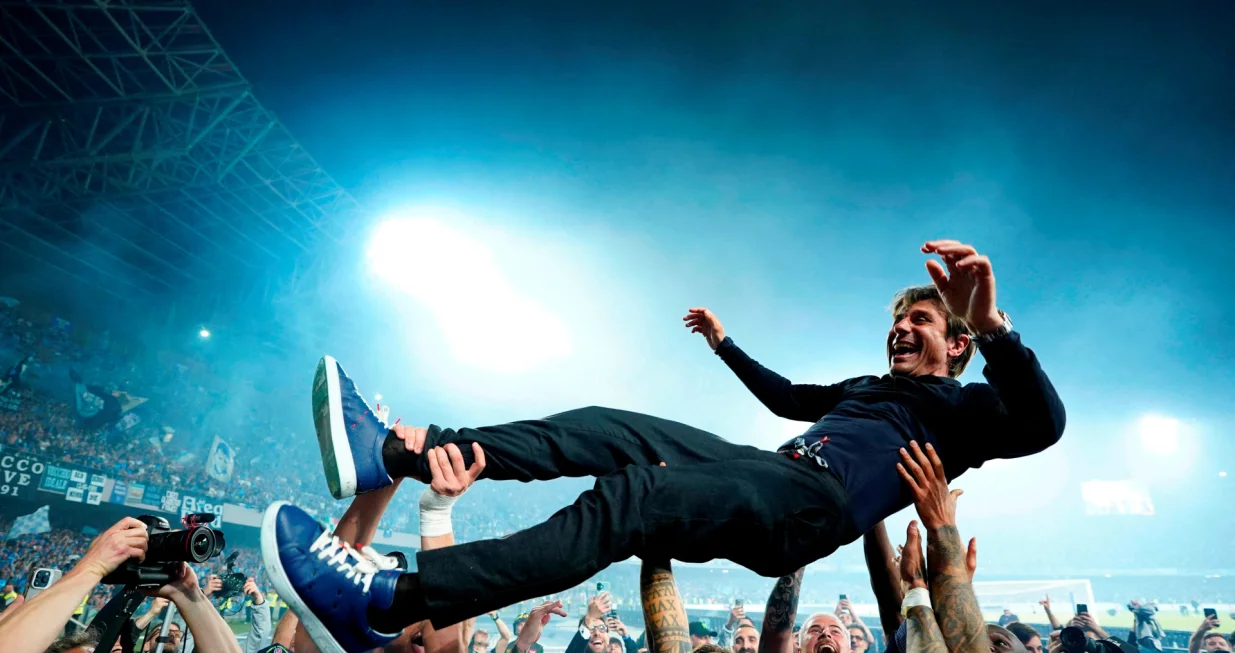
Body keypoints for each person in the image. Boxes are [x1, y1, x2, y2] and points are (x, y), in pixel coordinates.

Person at [266, 240, 1065, 651]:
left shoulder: (968, 409)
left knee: (635, 495)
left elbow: (1045, 423)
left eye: (922, 319)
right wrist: (723, 345)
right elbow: (788, 398)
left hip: (810, 509)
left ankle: (387, 602)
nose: (902, 325)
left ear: (954, 342)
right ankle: (401, 452)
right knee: (616, 427)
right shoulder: (868, 388)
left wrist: (993, 325)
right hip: (772, 467)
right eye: (898, 315)